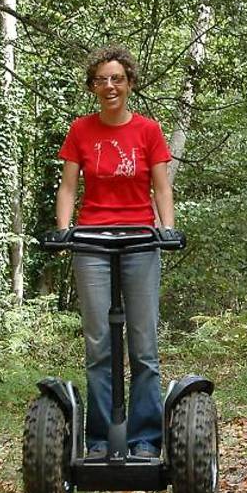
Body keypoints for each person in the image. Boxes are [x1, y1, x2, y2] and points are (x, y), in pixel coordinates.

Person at [55, 45, 175, 458]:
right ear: (93, 86)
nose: (110, 86)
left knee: (143, 344)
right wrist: (63, 230)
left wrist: (168, 228)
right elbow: (69, 186)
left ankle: (144, 439)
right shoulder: (80, 130)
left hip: (141, 239)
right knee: (99, 344)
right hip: (92, 241)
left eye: (117, 79)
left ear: (129, 83)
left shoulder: (148, 131)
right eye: (102, 80)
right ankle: (101, 440)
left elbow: (161, 186)